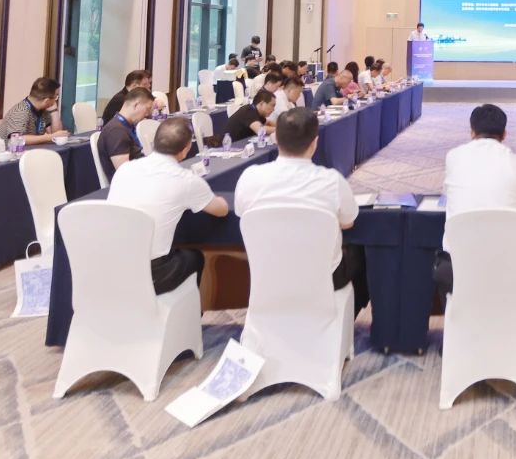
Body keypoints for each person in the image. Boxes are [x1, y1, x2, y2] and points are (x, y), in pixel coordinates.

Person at [235, 108, 367, 312]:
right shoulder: (332, 181)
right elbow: (347, 223)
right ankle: (346, 317)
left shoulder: (249, 177)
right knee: (360, 251)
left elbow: (242, 214)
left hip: (269, 276)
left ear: (276, 138)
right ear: (315, 143)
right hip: (324, 278)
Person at [106, 119, 228, 294]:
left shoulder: (125, 169)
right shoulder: (186, 180)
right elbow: (221, 210)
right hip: (151, 272)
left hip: (112, 263)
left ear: (154, 142)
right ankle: (187, 309)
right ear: (186, 149)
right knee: (195, 258)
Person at [434, 104, 516, 297]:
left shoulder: (453, 157)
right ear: (504, 134)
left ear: (472, 132)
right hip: (509, 269)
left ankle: (458, 315)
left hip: (458, 270)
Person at [97, 87, 152, 181]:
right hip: (131, 184)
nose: (148, 114)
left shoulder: (126, 126)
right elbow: (124, 173)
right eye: (147, 109)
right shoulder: (116, 131)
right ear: (136, 105)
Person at [0, 78, 69, 146]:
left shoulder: (42, 110)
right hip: (10, 152)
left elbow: (56, 135)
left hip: (31, 150)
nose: (56, 99)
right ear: (46, 100)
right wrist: (50, 137)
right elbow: (17, 139)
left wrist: (54, 111)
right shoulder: (20, 111)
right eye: (56, 96)